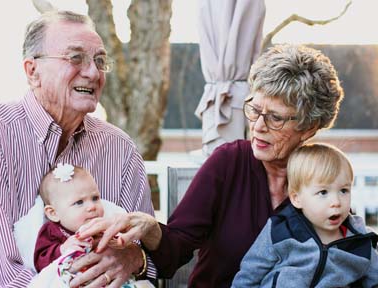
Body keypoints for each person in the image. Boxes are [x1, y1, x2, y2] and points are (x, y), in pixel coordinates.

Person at [75, 44, 346, 287]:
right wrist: (151, 228)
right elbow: (175, 250)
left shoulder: (326, 176)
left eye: (275, 118)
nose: (258, 126)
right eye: (254, 109)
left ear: (309, 127)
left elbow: (345, 256)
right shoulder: (228, 163)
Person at [0, 10, 155, 288]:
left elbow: (149, 253)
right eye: (75, 57)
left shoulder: (119, 148)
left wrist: (135, 257)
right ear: (33, 72)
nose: (93, 72)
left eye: (100, 61)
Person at [232, 143, 378, 287]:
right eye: (323, 192)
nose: (336, 202)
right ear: (297, 199)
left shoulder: (361, 241)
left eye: (344, 190)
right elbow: (248, 275)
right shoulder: (281, 231)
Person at [31, 163, 153, 287]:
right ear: (53, 213)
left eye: (95, 198)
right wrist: (62, 249)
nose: (92, 207)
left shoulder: (105, 226)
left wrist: (117, 244)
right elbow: (40, 262)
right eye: (79, 202)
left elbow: (121, 251)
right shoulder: (52, 230)